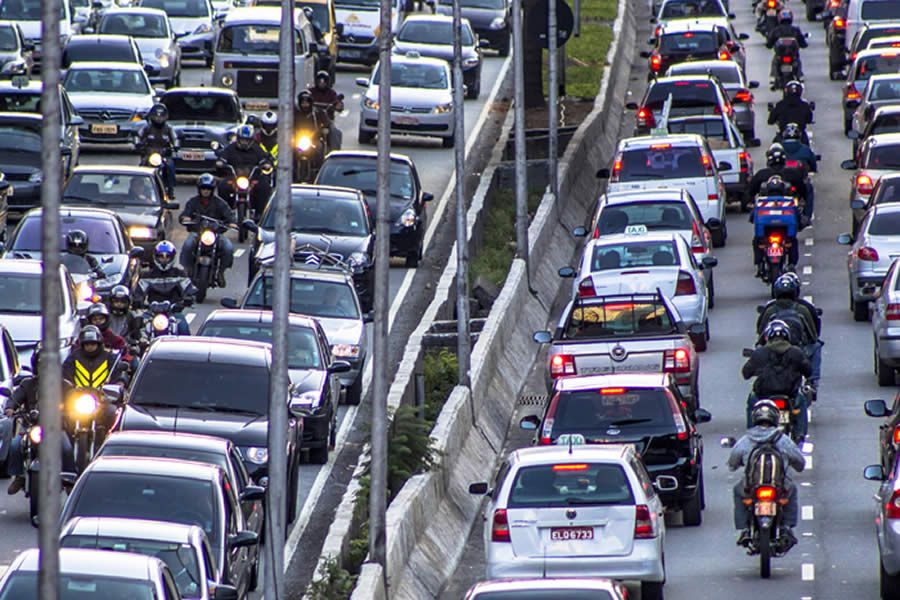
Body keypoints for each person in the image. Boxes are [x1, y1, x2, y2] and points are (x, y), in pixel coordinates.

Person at [729, 399, 806, 548]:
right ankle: (786, 527)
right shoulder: (783, 440)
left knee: (738, 491)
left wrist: (736, 464)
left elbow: (733, 462)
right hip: (780, 486)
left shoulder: (746, 440)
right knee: (792, 490)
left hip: (751, 487)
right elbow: (800, 463)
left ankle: (744, 530)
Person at [4, 349, 75, 495]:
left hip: (56, 427)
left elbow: (73, 402)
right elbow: (15, 398)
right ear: (36, 366)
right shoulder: (27, 384)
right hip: (31, 426)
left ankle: (69, 480)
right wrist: (10, 408)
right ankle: (19, 476)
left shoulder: (65, 386)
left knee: (67, 448)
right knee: (15, 445)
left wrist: (70, 412)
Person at [742, 320, 812, 441]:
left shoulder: (760, 352)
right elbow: (808, 371)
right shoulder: (796, 352)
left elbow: (745, 373)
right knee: (801, 402)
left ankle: (751, 434)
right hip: (790, 395)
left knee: (752, 402)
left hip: (764, 396)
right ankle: (800, 434)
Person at [757, 273, 822, 393]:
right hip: (798, 349)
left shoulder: (769, 310)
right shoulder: (803, 309)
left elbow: (760, 332)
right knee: (817, 346)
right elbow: (813, 336)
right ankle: (812, 382)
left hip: (770, 351)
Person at [61, 326, 126, 429]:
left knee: (114, 414)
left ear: (99, 343)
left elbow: (119, 375)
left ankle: (108, 436)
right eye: (87, 344)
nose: (90, 347)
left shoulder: (109, 357)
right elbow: (65, 375)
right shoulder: (73, 358)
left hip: (103, 399)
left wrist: (118, 385)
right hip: (77, 398)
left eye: (93, 344)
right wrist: (69, 389)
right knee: (61, 417)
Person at [179, 174, 236, 287]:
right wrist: (186, 218)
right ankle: (187, 269)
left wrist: (232, 223)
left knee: (228, 248)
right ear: (199, 189)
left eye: (208, 188)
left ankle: (221, 272)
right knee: (188, 245)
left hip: (215, 234)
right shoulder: (193, 202)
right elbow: (185, 214)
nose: (206, 191)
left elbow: (229, 216)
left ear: (212, 190)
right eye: (203, 188)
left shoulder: (220, 203)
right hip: (197, 232)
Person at [135, 240, 194, 335]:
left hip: (173, 312)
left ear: (172, 257)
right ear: (155, 257)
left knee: (183, 328)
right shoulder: (147, 276)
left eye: (167, 257)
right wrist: (137, 301)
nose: (164, 260)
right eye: (161, 256)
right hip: (151, 312)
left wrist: (188, 298)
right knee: (137, 327)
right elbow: (138, 292)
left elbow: (188, 289)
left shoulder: (179, 274)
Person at [217, 124, 272, 216]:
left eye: (247, 140)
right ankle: (224, 213)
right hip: (234, 177)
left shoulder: (256, 149)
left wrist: (266, 164)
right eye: (242, 139)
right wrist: (220, 162)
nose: (244, 142)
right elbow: (223, 157)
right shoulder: (231, 148)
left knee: (264, 187)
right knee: (222, 186)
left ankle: (260, 213)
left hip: (252, 178)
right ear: (238, 139)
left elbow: (264, 159)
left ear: (251, 140)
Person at [135, 103, 178, 198]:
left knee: (170, 166)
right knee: (141, 167)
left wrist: (175, 146)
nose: (159, 119)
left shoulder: (168, 128)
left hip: (164, 155)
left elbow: (175, 138)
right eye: (156, 116)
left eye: (161, 116)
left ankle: (170, 189)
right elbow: (138, 136)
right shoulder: (147, 128)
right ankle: (137, 188)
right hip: (149, 154)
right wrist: (138, 144)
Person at [309, 70, 344, 150]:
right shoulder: (310, 92)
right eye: (319, 81)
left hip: (327, 121)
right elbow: (303, 100)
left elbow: (338, 104)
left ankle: (335, 152)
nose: (322, 83)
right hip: (312, 120)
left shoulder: (332, 93)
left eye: (324, 82)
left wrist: (338, 105)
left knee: (335, 132)